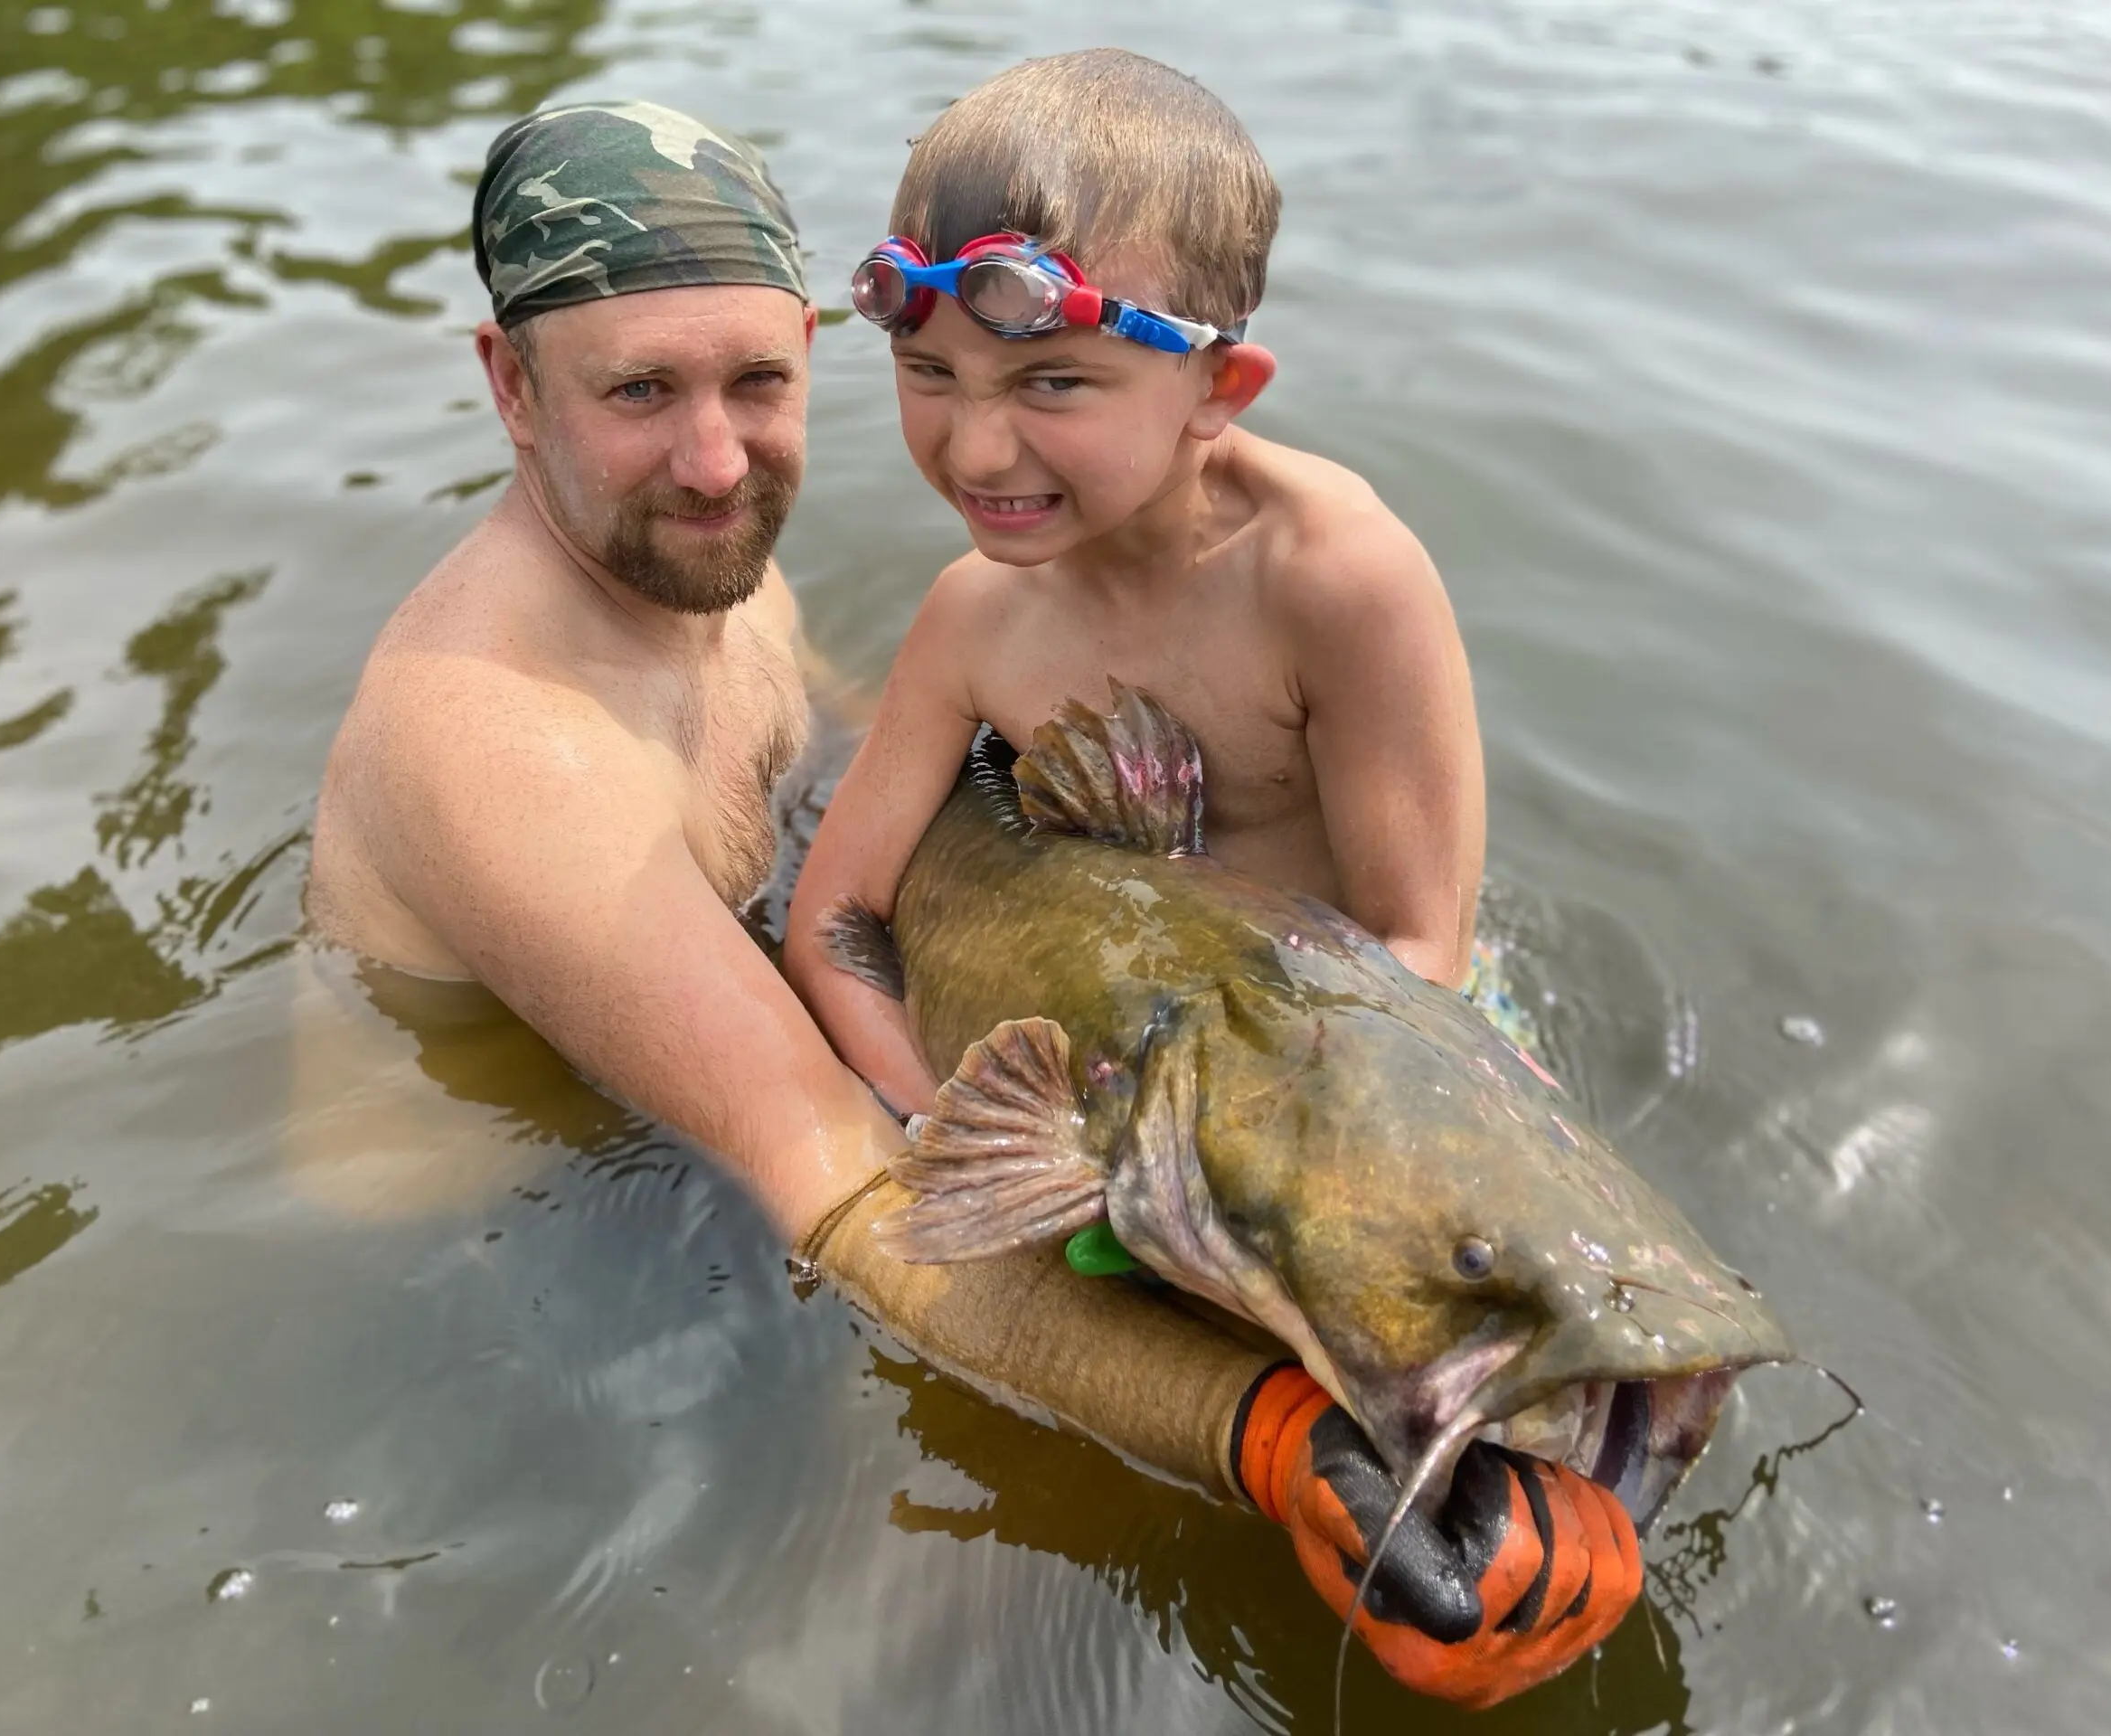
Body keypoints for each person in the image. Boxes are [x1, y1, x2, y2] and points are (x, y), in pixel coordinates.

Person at [306, 97, 1630, 1709]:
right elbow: (837, 1182)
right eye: (638, 390)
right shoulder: (500, 743)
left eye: (757, 383)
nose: (717, 457)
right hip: (543, 1251)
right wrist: (1280, 1437)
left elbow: (892, 790)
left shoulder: (704, 559)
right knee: (901, 1599)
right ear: (512, 387)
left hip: (739, 1070)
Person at [785, 49, 1486, 1130]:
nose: (974, 452)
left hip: (1333, 1061)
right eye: (928, 374)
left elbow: (1420, 960)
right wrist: (945, 1124)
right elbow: (833, 920)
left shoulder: (1335, 581)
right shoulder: (975, 616)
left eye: (1051, 382)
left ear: (1218, 388)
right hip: (1114, 1068)